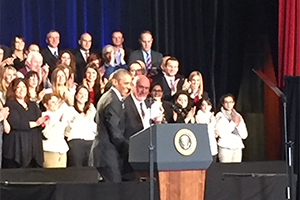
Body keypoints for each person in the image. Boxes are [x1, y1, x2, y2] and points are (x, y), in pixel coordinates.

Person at [90, 69, 132, 183]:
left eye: (130, 83)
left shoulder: (107, 97)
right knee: (113, 191)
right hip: (107, 155)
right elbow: (115, 134)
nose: (129, 87)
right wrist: (131, 148)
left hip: (103, 153)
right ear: (115, 82)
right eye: (126, 83)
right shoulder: (113, 101)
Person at [2, 78, 49, 168]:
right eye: (18, 87)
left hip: (34, 148)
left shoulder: (32, 104)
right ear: (13, 90)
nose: (22, 89)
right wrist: (35, 123)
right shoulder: (10, 104)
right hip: (17, 148)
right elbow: (16, 123)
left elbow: (39, 121)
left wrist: (42, 123)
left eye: (24, 86)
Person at [64, 86, 97, 167]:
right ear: (76, 95)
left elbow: (95, 128)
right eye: (80, 94)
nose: (83, 96)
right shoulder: (69, 110)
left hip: (90, 141)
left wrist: (89, 117)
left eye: (85, 95)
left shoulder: (92, 110)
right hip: (75, 143)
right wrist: (81, 117)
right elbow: (67, 130)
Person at [215, 94, 248, 163]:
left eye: (230, 102)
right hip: (225, 147)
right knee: (225, 169)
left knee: (236, 170)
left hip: (237, 146)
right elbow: (221, 133)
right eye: (226, 102)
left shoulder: (238, 116)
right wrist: (233, 123)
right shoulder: (220, 115)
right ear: (223, 104)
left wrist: (238, 125)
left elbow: (244, 135)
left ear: (233, 103)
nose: (228, 104)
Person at [41, 93, 69, 168]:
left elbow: (66, 133)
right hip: (50, 150)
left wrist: (69, 125)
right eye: (53, 102)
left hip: (62, 149)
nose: (56, 104)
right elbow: (46, 133)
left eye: (56, 101)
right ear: (45, 105)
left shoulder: (61, 115)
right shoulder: (44, 115)